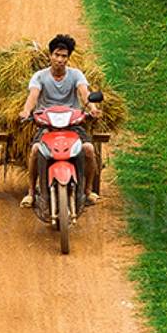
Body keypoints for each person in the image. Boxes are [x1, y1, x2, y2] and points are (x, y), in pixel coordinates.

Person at [20, 34, 99, 210]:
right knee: (35, 150)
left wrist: (92, 108)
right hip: (47, 125)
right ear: (50, 55)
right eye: (57, 55)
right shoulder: (40, 77)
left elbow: (84, 92)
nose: (60, 59)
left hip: (73, 125)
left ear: (68, 58)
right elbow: (33, 96)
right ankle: (31, 192)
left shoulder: (75, 75)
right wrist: (26, 111)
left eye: (64, 56)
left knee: (89, 149)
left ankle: (87, 191)